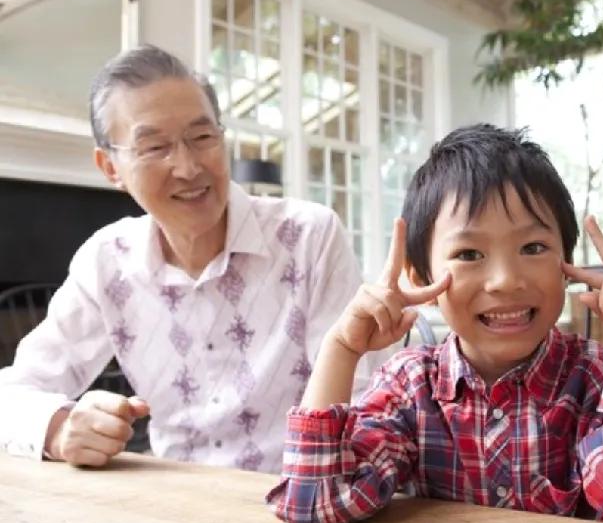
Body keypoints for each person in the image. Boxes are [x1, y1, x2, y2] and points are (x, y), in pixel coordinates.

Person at [266, 123, 603, 523]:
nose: (506, 281)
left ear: (567, 263)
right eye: (470, 254)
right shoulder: (409, 388)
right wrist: (341, 347)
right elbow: (315, 503)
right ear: (422, 278)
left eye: (533, 248)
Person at [0, 44, 382, 473]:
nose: (187, 167)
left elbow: (361, 403)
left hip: (299, 494)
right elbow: (14, 393)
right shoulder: (107, 261)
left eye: (202, 138)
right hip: (173, 505)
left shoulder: (309, 237)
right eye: (154, 147)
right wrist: (59, 429)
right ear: (110, 167)